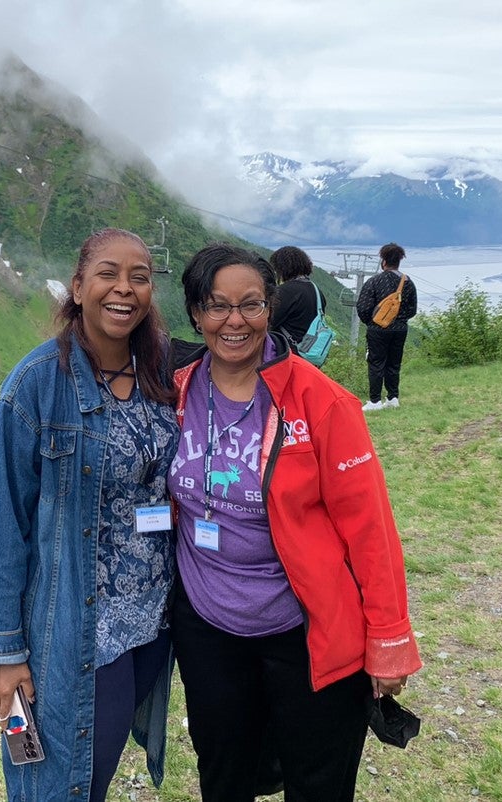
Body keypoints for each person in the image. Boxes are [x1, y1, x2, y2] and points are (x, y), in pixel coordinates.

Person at [169, 243, 422, 802]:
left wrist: (389, 640)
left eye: (251, 305)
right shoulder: (178, 389)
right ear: (194, 313)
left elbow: (370, 528)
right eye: (217, 306)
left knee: (317, 781)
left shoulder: (320, 401)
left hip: (307, 629)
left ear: (270, 308)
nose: (234, 321)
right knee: (224, 772)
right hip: (209, 628)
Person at [0, 228, 180, 802]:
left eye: (140, 276)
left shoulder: (164, 369)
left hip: (149, 626)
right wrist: (5, 654)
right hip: (73, 633)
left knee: (95, 772)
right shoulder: (36, 385)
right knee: (54, 785)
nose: (125, 289)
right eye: (109, 273)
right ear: (79, 285)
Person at [356, 242, 417, 411]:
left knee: (376, 363)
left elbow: (363, 307)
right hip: (400, 329)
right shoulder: (407, 282)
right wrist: (400, 319)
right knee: (394, 363)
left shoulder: (374, 281)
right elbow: (412, 309)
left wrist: (373, 322)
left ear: (383, 261)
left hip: (378, 330)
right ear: (399, 261)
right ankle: (392, 398)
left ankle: (374, 401)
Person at [268, 245, 327, 345]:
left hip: (288, 350)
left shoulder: (285, 291)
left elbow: (269, 322)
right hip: (308, 350)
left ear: (282, 267)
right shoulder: (316, 290)